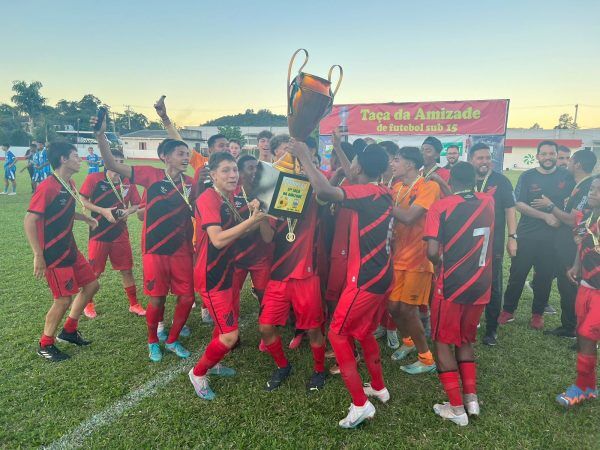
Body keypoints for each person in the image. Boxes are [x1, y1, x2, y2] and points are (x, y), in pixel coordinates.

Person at [290, 140, 393, 428]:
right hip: (383, 275)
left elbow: (324, 191)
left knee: (337, 334)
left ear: (359, 166)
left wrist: (303, 157)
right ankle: (378, 387)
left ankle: (361, 404)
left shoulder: (366, 194)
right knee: (364, 331)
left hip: (365, 280)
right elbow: (348, 179)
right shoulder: (383, 191)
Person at [93, 114, 196, 363]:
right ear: (165, 157)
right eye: (181, 154)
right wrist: (100, 136)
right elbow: (113, 164)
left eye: (187, 154)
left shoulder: (191, 183)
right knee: (157, 297)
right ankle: (152, 340)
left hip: (182, 250)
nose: (186, 158)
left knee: (188, 297)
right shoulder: (151, 175)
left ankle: (172, 339)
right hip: (155, 250)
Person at [189, 152, 270, 400]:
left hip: (227, 271)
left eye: (234, 169)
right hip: (211, 274)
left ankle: (213, 364)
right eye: (225, 170)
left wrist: (262, 214)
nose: (233, 175)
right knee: (230, 335)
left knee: (224, 324)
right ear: (213, 175)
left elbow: (240, 233)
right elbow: (218, 239)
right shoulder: (208, 198)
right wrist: (252, 219)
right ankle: (198, 372)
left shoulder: (231, 198)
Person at [424, 162, 495, 426]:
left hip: (452, 284)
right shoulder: (488, 201)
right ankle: (471, 399)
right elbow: (464, 198)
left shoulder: (440, 207)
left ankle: (456, 409)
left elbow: (431, 251)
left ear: (450, 179)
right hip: (481, 283)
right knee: (465, 339)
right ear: (475, 179)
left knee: (443, 341)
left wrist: (441, 264)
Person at [257, 148, 327, 394]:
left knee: (313, 329)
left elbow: (324, 188)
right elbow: (267, 239)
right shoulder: (274, 200)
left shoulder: (315, 195)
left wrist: (306, 159)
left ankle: (319, 370)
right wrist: (261, 216)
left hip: (306, 276)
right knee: (266, 327)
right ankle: (283, 366)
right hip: (279, 276)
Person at [24, 142, 101, 361]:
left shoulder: (69, 182)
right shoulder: (48, 186)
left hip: (70, 248)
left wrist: (83, 217)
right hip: (54, 252)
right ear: (63, 160)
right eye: (76, 156)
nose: (80, 159)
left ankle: (69, 331)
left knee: (92, 285)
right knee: (63, 299)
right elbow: (30, 219)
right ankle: (45, 344)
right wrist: (38, 254)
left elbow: (63, 210)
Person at [499, 141, 574, 329]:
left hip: (552, 239)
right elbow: (519, 204)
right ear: (537, 156)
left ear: (557, 155)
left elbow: (570, 204)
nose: (548, 157)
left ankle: (537, 314)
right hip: (527, 235)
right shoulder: (527, 176)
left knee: (544, 277)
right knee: (517, 273)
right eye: (544, 154)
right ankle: (508, 311)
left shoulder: (566, 177)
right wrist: (546, 216)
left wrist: (556, 214)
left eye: (551, 154)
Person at [532, 149, 597, 338]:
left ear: (577, 164)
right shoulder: (579, 185)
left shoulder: (587, 188)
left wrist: (550, 206)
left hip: (572, 247)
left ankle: (574, 328)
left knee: (571, 287)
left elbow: (572, 220)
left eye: (570, 160)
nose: (566, 163)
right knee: (565, 286)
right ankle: (569, 325)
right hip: (567, 245)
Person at [387, 147, 439, 374]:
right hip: (397, 256)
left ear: (409, 164)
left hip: (418, 258)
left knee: (408, 310)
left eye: (396, 160)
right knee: (393, 307)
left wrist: (382, 202)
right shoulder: (397, 187)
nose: (392, 164)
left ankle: (426, 358)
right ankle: (408, 342)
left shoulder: (429, 187)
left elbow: (409, 218)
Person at [79, 149, 145, 318]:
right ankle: (89, 304)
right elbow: (83, 201)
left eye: (120, 161)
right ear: (106, 162)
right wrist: (102, 210)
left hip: (120, 233)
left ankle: (134, 304)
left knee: (127, 270)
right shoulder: (94, 178)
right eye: (114, 160)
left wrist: (127, 212)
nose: (118, 164)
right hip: (98, 232)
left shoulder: (127, 181)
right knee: (94, 272)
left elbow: (136, 205)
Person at [556, 177, 600, 407]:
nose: (591, 192)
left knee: (587, 334)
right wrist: (575, 265)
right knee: (584, 335)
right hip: (586, 286)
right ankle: (589, 386)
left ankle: (582, 388)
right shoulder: (587, 216)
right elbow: (582, 243)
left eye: (597, 190)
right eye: (592, 188)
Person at [468, 143, 517, 346]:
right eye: (480, 158)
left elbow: (510, 209)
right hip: (468, 244)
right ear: (471, 160)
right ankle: (470, 324)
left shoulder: (501, 181)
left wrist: (512, 236)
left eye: (487, 157)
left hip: (492, 244)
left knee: (493, 286)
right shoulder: (465, 179)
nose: (485, 162)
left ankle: (491, 329)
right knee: (469, 283)